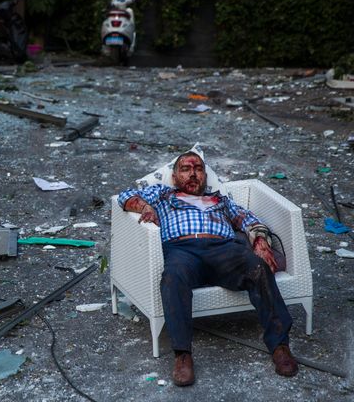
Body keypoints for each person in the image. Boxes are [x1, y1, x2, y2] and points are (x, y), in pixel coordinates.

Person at [117, 151, 298, 386]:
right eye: (185, 169)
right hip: (182, 250)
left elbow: (246, 218)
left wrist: (260, 239)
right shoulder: (163, 195)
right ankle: (183, 355)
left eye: (198, 169)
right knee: (173, 276)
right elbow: (125, 196)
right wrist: (145, 208)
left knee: (258, 268)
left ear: (204, 175)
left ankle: (280, 346)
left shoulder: (220, 200)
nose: (193, 173)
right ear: (174, 177)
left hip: (223, 250)